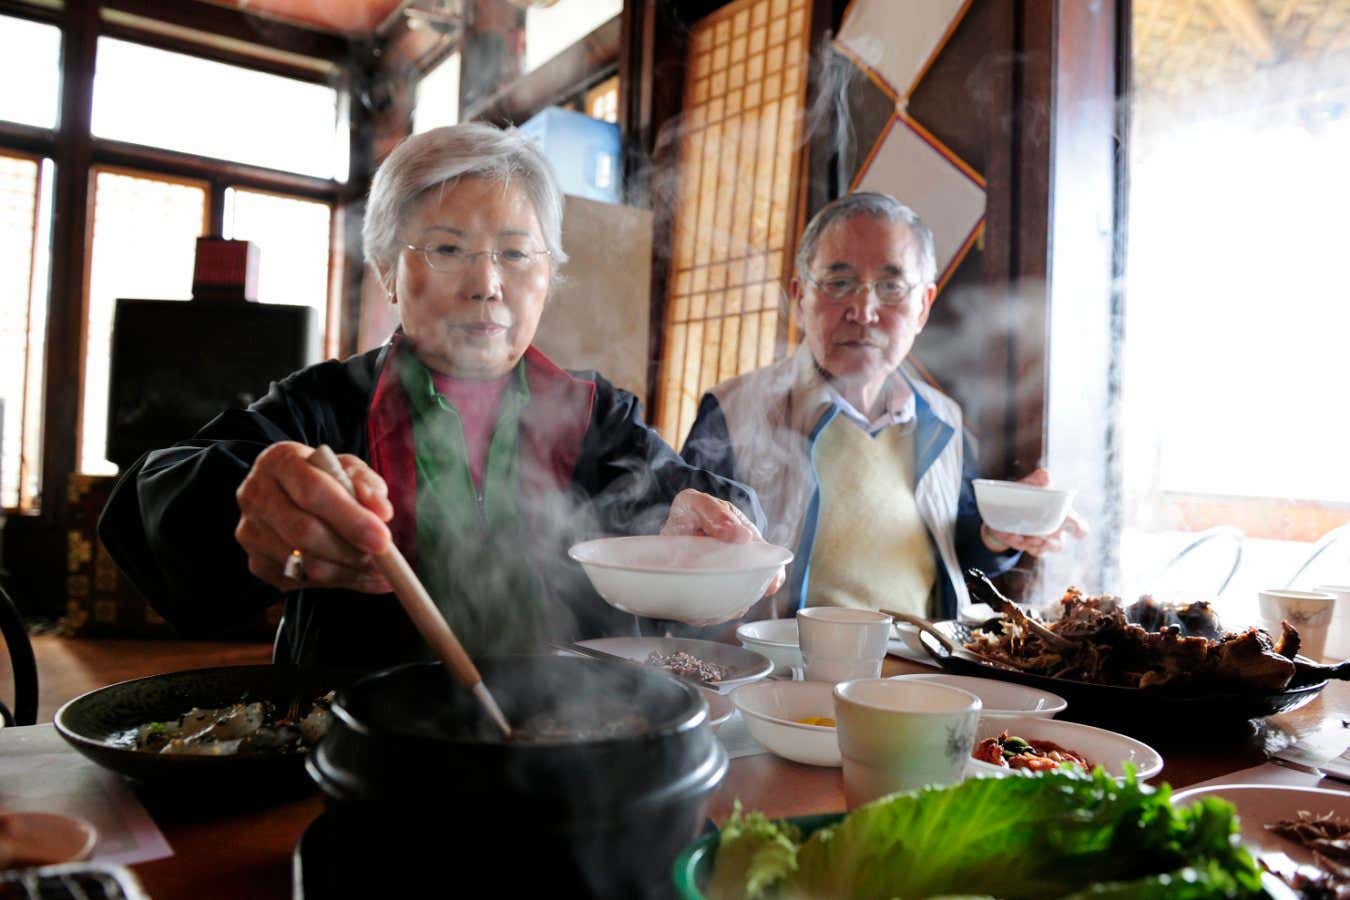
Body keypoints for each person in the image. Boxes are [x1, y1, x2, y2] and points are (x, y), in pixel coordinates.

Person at [100, 123, 780, 669]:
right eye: (449, 248)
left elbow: (704, 502)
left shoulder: (596, 415)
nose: (486, 283)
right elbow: (146, 503)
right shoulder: (326, 406)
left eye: (517, 254)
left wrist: (718, 528)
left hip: (578, 750)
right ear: (390, 273)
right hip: (367, 750)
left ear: (549, 278)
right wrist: (255, 496)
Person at [681, 192, 1084, 622]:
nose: (864, 310)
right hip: (783, 680)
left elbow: (957, 552)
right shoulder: (735, 410)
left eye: (891, 287)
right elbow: (686, 565)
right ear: (800, 299)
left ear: (923, 307)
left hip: (920, 676)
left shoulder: (941, 418)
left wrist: (1001, 533)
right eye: (839, 283)